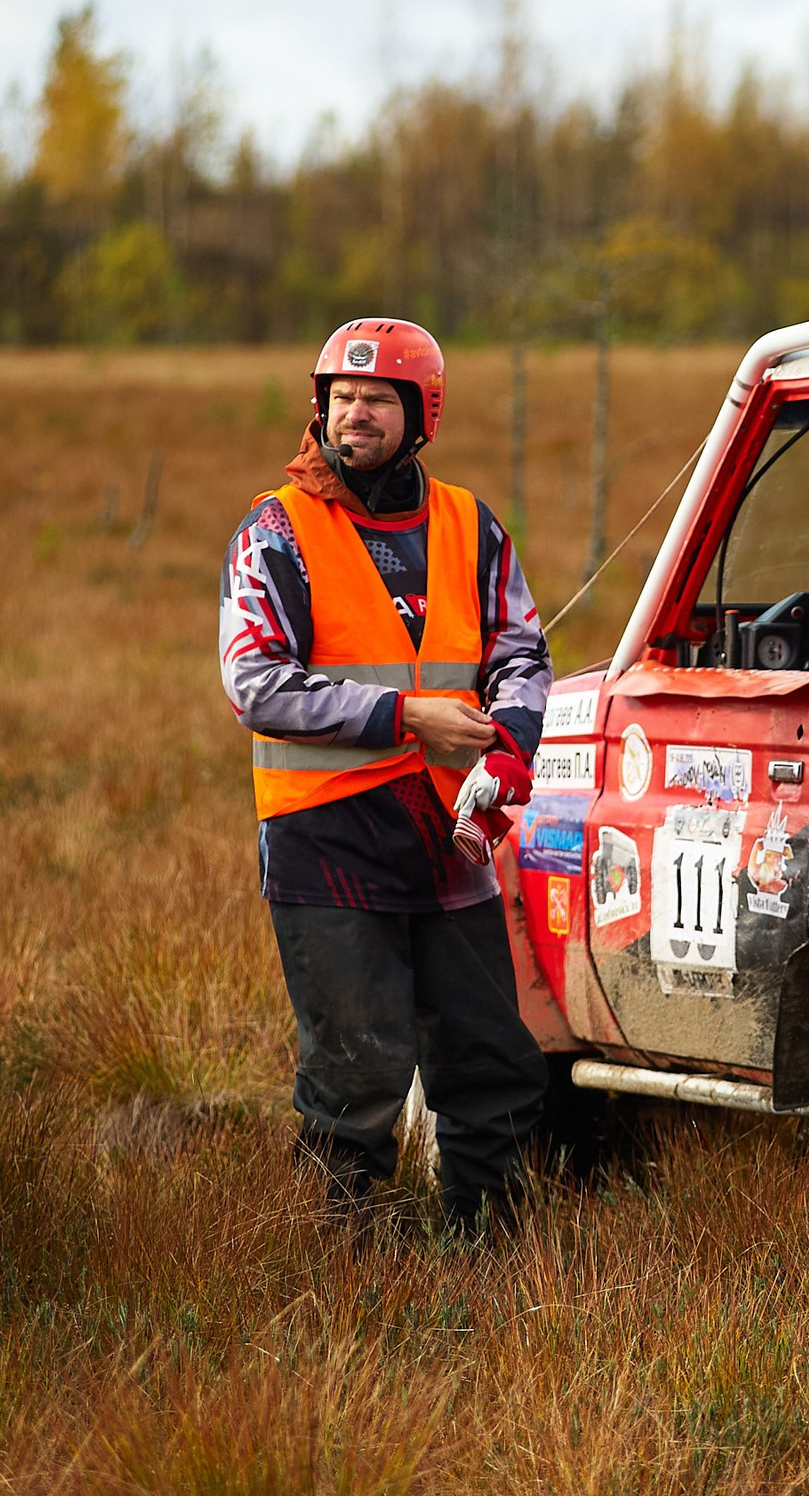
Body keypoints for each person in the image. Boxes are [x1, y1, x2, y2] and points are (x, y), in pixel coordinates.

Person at [218, 318, 551, 1232]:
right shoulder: (277, 527)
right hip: (327, 839)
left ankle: (490, 1262)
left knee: (491, 1061)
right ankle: (340, 1275)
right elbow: (254, 681)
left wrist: (511, 746)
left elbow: (521, 650)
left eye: (377, 398)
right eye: (340, 397)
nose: (353, 414)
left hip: (452, 838)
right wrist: (409, 717)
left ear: (422, 412)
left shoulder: (467, 523)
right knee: (357, 1072)